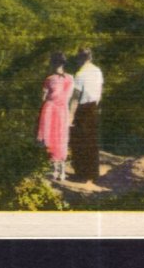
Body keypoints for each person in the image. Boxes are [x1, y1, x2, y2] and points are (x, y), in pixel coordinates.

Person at [36, 51, 74, 181]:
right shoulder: (70, 78)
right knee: (62, 139)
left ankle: (55, 171)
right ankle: (62, 171)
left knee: (51, 139)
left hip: (50, 110)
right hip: (63, 110)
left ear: (53, 63)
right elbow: (69, 97)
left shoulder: (49, 79)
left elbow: (43, 97)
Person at [69, 47, 104, 183]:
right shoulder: (97, 71)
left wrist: (70, 115)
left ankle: (81, 174)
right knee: (92, 141)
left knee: (80, 141)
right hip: (94, 107)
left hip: (83, 109)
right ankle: (93, 174)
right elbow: (100, 91)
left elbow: (76, 97)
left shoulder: (80, 74)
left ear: (80, 58)